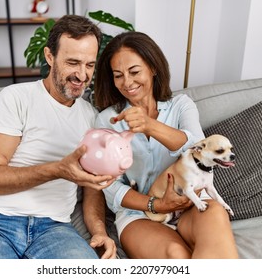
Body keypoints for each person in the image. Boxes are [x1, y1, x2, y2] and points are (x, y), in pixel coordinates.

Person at [0, 15, 117, 259]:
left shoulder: (91, 117)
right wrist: (58, 170)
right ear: (50, 57)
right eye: (73, 62)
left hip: (55, 229)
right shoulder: (16, 98)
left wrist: (100, 231)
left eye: (89, 65)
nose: (82, 75)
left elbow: (92, 189)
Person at [93, 31, 239, 259]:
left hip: (194, 202)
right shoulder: (106, 121)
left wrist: (150, 125)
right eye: (118, 75)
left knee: (217, 241)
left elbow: (201, 152)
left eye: (134, 72)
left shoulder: (181, 106)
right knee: (176, 255)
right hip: (140, 213)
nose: (127, 82)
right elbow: (110, 187)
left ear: (153, 67)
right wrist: (158, 205)